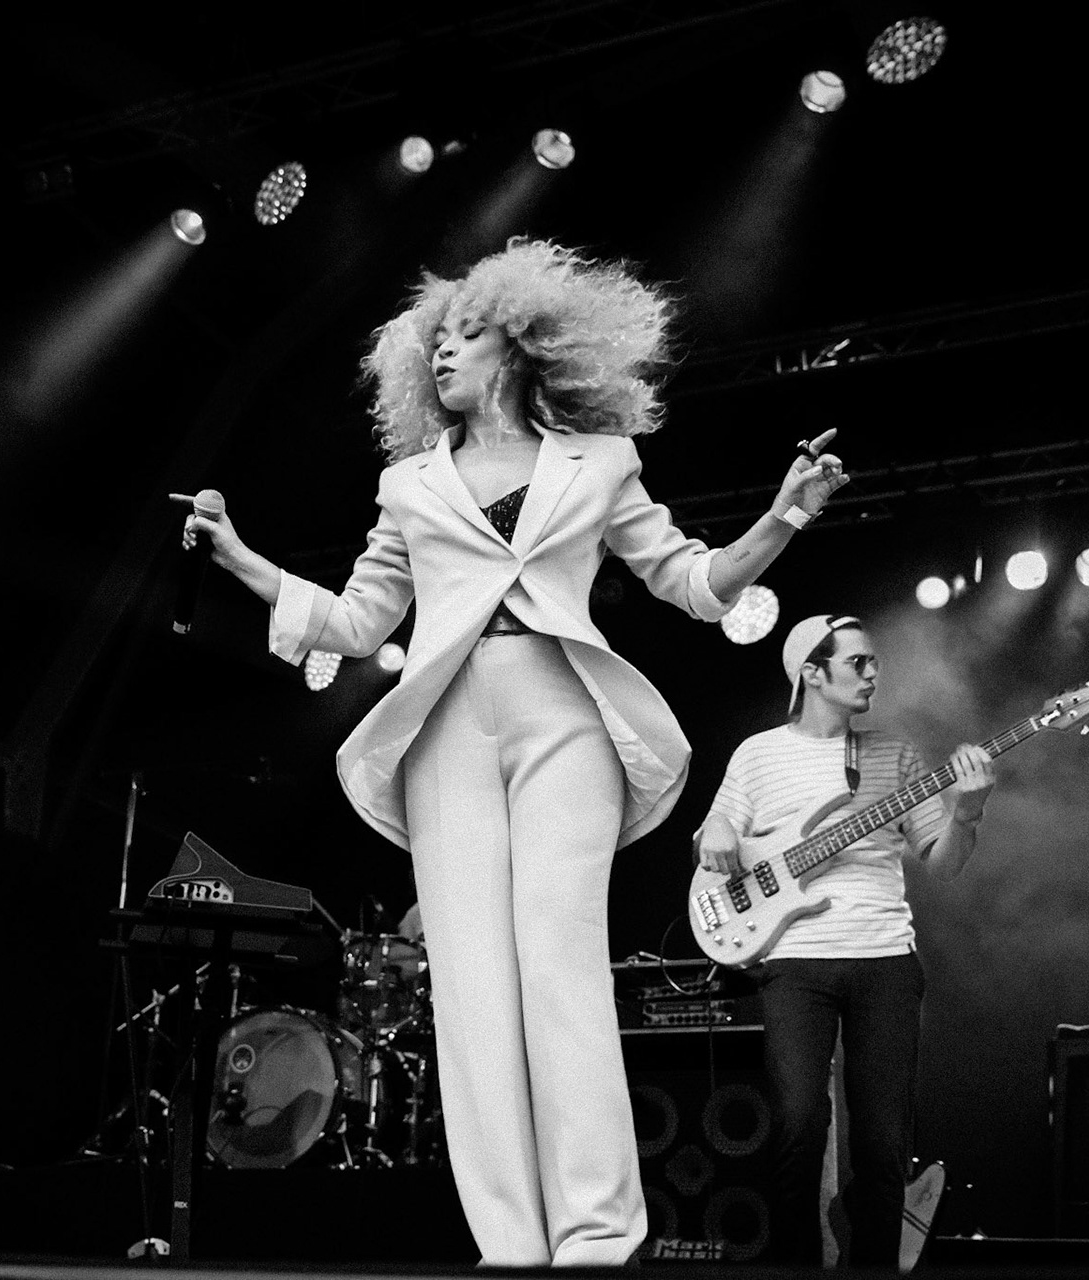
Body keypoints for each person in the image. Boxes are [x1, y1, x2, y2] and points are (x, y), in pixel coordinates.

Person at [176, 238, 847, 1266]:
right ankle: (511, 1242)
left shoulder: (603, 458)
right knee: (472, 984)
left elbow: (693, 580)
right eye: (433, 342)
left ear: (524, 343)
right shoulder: (408, 484)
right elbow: (358, 622)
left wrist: (781, 519)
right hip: (446, 725)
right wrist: (240, 558)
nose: (443, 353)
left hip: (562, 713)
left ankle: (596, 1232)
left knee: (560, 964)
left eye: (465, 333)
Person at [693, 615, 994, 1268]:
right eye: (858, 663)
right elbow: (714, 834)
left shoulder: (896, 754)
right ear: (811, 672)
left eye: (875, 662)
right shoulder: (758, 754)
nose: (873, 674)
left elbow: (943, 862)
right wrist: (713, 835)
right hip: (795, 965)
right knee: (799, 1125)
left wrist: (967, 811)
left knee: (884, 1145)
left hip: (885, 960)